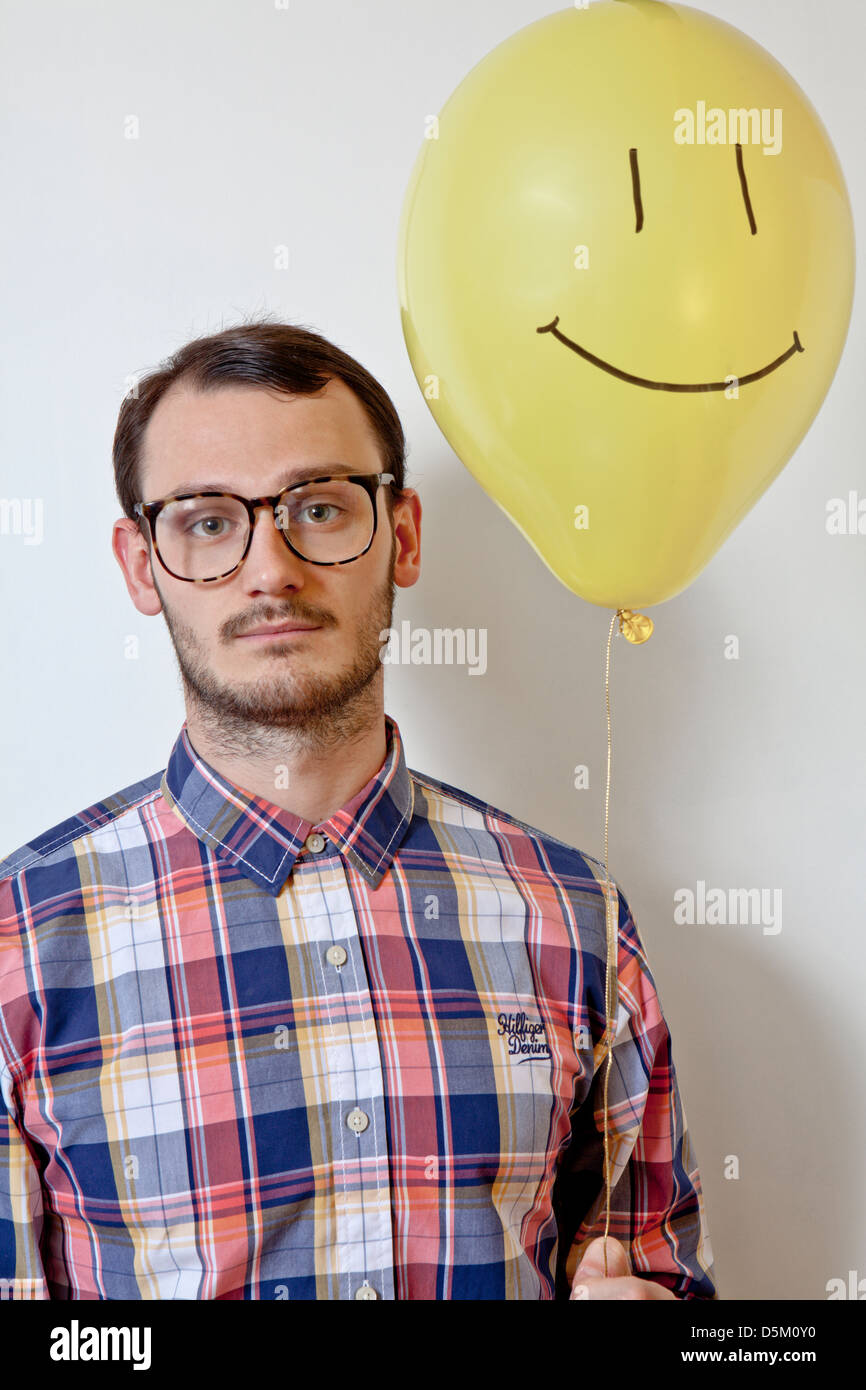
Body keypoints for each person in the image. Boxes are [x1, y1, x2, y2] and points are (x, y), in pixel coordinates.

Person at [0, 319, 717, 1301]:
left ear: (402, 534)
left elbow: (662, 1277)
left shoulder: (574, 915)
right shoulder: (20, 940)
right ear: (139, 564)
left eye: (320, 507)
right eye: (209, 520)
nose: (270, 568)